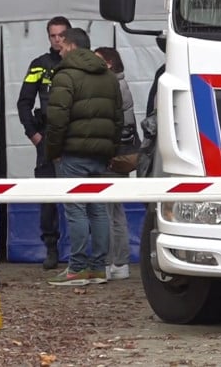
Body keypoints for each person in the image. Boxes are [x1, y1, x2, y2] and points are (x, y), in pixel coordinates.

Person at [45, 28, 123, 285]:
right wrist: (110, 150)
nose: (59, 49)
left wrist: (53, 151)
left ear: (70, 46)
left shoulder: (66, 74)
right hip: (100, 155)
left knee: (76, 209)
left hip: (73, 153)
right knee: (98, 209)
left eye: (62, 46)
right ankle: (98, 267)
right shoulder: (109, 77)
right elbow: (118, 117)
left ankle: (77, 268)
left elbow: (57, 118)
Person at [16, 16, 71, 270]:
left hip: (75, 139)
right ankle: (51, 248)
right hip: (47, 139)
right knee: (48, 196)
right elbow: (24, 101)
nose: (57, 40)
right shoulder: (40, 64)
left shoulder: (79, 60)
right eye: (53, 36)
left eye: (61, 35)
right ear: (48, 37)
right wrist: (33, 134)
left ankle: (85, 252)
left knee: (81, 193)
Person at [94, 47, 137, 281]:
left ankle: (110, 262)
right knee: (116, 211)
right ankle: (120, 262)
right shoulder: (123, 84)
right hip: (121, 155)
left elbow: (116, 123)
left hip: (112, 156)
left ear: (109, 63)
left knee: (107, 211)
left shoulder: (113, 87)